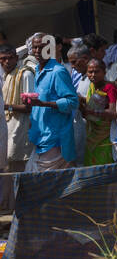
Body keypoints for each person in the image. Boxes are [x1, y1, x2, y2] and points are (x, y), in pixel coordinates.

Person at [23, 33, 79, 172]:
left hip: (55, 139)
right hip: (40, 136)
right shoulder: (37, 69)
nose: (37, 51)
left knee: (42, 185)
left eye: (41, 47)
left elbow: (72, 102)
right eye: (35, 47)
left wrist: (45, 104)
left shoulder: (58, 71)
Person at [2, 42, 36, 172]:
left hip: (21, 129)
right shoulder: (6, 76)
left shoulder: (25, 75)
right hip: (8, 129)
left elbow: (29, 107)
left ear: (17, 58)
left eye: (10, 58)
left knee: (19, 170)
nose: (7, 62)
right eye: (3, 59)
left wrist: (5, 107)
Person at [79, 57, 117, 167]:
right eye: (90, 72)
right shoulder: (91, 86)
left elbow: (113, 113)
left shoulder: (109, 88)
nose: (93, 75)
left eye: (97, 71)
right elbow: (91, 103)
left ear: (104, 72)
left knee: (103, 166)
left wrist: (92, 112)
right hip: (91, 134)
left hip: (105, 135)